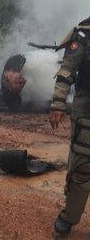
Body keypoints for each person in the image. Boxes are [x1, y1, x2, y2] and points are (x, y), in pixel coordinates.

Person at [49, 18, 90, 235]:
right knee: (83, 166)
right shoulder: (85, 33)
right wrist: (58, 103)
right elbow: (67, 70)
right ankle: (70, 216)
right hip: (87, 109)